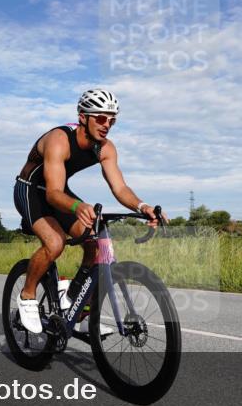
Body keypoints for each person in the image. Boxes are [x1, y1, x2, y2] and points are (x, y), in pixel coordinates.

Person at [13, 89, 166, 334]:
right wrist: (77, 206)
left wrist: (142, 206)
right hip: (31, 190)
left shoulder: (105, 148)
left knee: (96, 246)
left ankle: (77, 302)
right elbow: (52, 194)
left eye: (112, 120)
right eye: (101, 118)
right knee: (55, 243)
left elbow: (120, 187)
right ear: (83, 117)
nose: (108, 125)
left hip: (59, 190)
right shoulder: (59, 140)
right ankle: (27, 294)